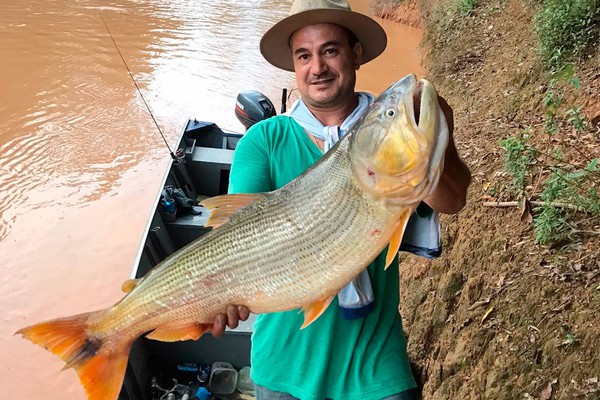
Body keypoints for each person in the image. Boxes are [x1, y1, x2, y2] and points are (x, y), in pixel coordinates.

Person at [211, 1, 472, 399]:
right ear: (295, 66)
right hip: (283, 369)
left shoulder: (393, 128)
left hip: (376, 366)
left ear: (355, 53)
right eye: (304, 55)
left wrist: (434, 139)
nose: (317, 68)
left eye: (330, 50)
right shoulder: (263, 140)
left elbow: (452, 200)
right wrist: (221, 297)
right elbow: (237, 236)